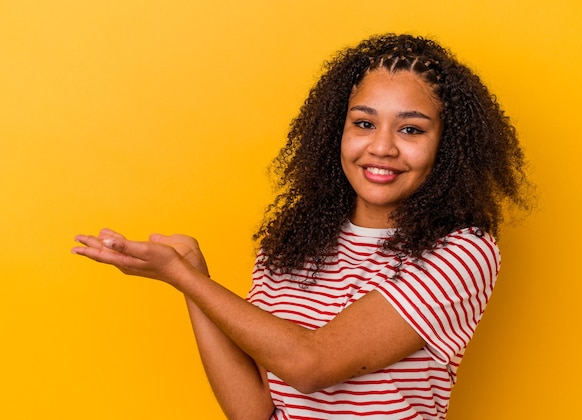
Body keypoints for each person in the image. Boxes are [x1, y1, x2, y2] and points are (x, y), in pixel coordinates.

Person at [72, 33, 532, 419]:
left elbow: (310, 364)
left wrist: (182, 276)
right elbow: (253, 411)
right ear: (338, 131)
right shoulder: (294, 243)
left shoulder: (462, 252)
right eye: (364, 123)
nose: (383, 147)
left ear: (446, 146)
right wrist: (192, 275)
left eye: (411, 129)